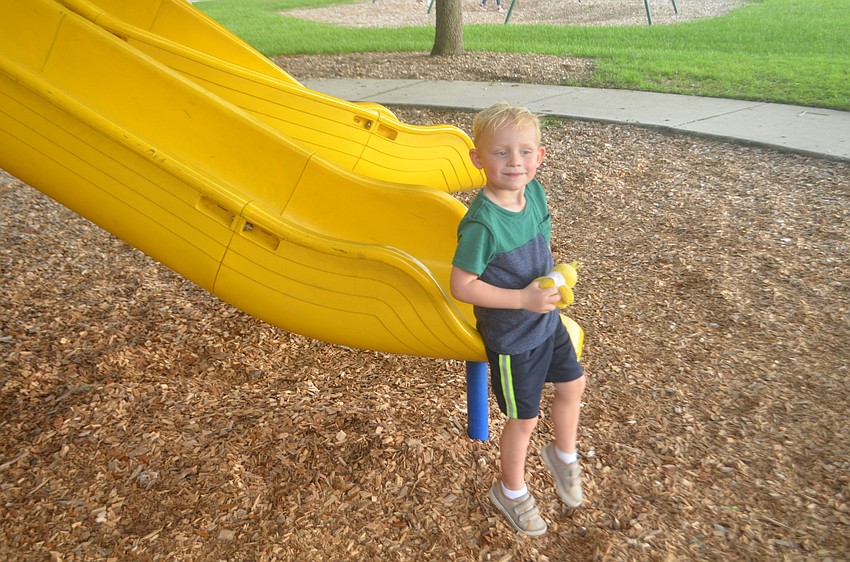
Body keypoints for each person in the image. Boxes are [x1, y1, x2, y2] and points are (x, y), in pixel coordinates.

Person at [450, 102, 586, 537]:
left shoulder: (536, 192)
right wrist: (523, 298)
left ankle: (563, 455)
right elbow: (463, 286)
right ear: (477, 159)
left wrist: (549, 278)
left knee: (573, 385)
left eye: (525, 152)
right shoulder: (482, 225)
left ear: (539, 156)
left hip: (546, 321)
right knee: (523, 419)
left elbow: (541, 245)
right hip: (513, 338)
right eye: (501, 153)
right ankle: (510, 491)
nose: (515, 163)